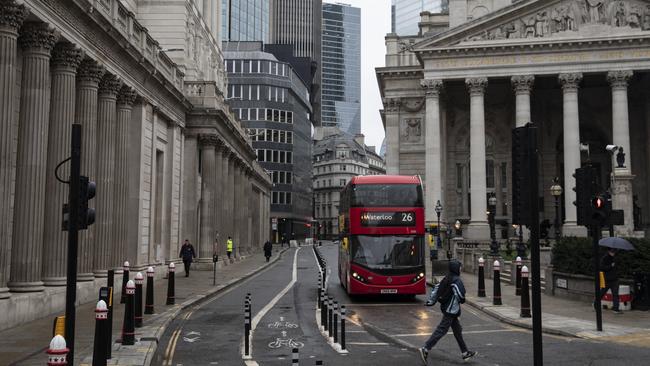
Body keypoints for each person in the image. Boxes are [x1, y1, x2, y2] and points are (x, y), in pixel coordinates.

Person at [419, 260, 477, 364]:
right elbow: (460, 295)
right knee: (442, 330)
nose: (460, 269)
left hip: (447, 308)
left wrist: (431, 301)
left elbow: (436, 288)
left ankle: (465, 352)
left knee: (457, 330)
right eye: (459, 267)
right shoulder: (456, 280)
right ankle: (425, 348)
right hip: (451, 310)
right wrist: (462, 299)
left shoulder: (447, 277)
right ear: (456, 268)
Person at [599, 248, 622, 314]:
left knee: (615, 294)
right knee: (602, 293)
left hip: (615, 279)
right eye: (612, 252)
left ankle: (616, 308)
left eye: (614, 252)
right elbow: (602, 267)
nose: (613, 253)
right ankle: (596, 303)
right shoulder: (605, 258)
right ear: (609, 251)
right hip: (607, 279)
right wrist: (610, 266)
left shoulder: (615, 258)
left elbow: (617, 267)